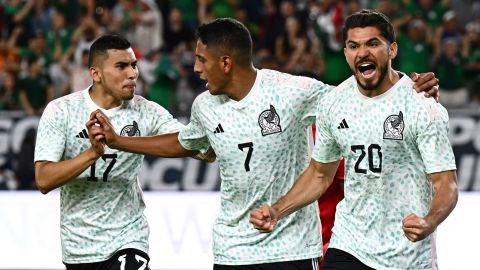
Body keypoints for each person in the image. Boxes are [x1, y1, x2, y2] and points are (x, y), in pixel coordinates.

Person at [89, 18, 440, 269]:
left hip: (292, 249)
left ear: (226, 62)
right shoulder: (205, 107)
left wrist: (409, 89)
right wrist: (120, 141)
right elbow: (184, 143)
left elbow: (358, 97)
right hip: (232, 249)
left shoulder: (292, 92)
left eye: (201, 60)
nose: (195, 68)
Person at [250, 10, 458, 270]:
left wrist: (429, 221)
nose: (363, 53)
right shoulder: (334, 103)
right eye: (354, 46)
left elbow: (446, 184)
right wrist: (277, 210)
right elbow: (319, 174)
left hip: (406, 255)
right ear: (346, 53)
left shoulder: (421, 106)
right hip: (350, 245)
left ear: (392, 50)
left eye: (373, 43)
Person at [34, 34, 210, 270]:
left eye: (134, 65)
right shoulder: (61, 111)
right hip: (79, 246)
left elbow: (197, 147)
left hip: (129, 237)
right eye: (121, 66)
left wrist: (210, 145)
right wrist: (92, 154)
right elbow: (44, 179)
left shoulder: (147, 112)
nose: (132, 74)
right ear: (96, 74)